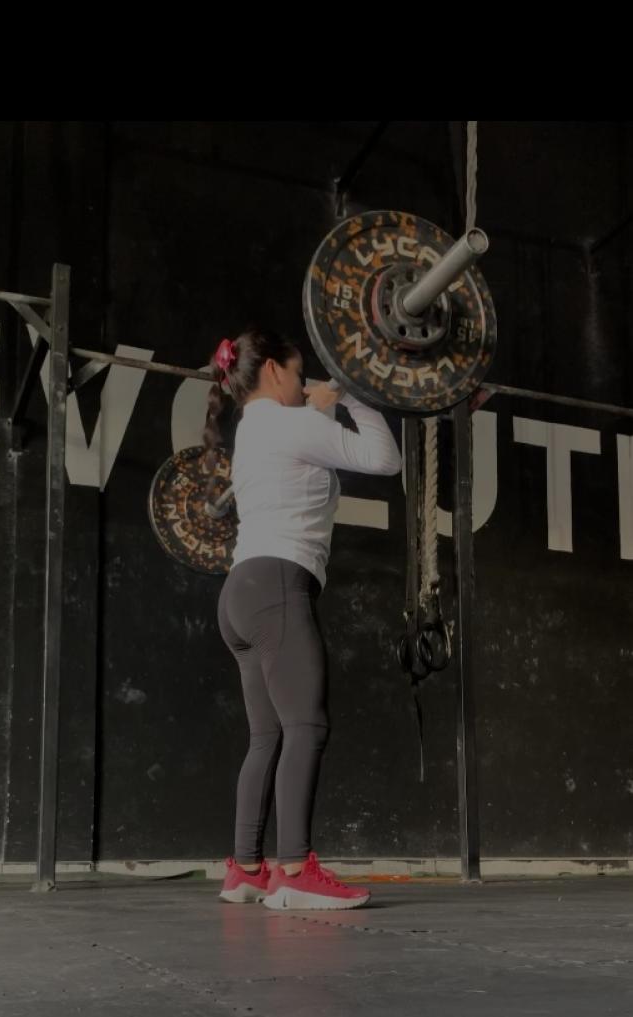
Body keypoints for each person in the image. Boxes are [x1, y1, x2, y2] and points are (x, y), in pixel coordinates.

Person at [206, 328, 401, 910]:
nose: (304, 384)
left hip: (240, 594)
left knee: (267, 737)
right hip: (277, 587)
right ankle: (294, 871)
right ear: (272, 371)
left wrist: (328, 402)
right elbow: (384, 460)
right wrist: (352, 393)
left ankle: (246, 870)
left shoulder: (253, 429)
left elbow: (318, 447)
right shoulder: (290, 424)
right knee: (306, 728)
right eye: (298, 374)